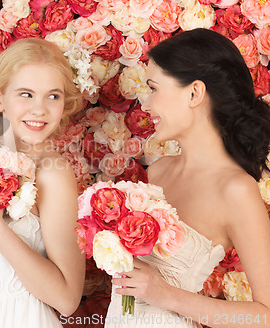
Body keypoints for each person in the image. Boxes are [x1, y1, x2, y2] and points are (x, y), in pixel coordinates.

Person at [108, 28, 270, 327]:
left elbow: (266, 315)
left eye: (154, 88)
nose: (146, 104)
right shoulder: (158, 171)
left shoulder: (236, 190)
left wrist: (167, 295)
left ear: (194, 93)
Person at [0, 38, 86, 327]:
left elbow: (67, 299)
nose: (39, 110)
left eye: (53, 96)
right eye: (26, 94)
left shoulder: (52, 173)